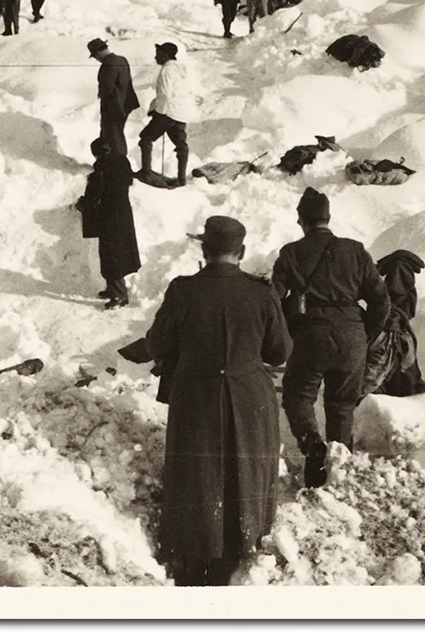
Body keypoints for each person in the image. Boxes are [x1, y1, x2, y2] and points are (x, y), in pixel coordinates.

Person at [145, 215, 289, 586]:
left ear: (205, 250)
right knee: (247, 469)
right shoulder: (262, 293)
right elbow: (279, 353)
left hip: (197, 394)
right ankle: (246, 545)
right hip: (250, 398)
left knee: (198, 475)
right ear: (241, 252)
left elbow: (157, 343)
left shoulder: (183, 290)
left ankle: (195, 554)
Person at [270, 187, 390, 488]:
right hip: (352, 335)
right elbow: (381, 301)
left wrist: (286, 331)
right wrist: (365, 334)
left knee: (298, 395)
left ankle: (312, 444)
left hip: (312, 333)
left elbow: (273, 300)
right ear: (328, 218)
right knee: (342, 405)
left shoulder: (290, 253)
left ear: (301, 220)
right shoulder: (356, 250)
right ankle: (339, 464)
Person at [76, 137, 141, 310]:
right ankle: (113, 289)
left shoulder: (102, 169)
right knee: (115, 255)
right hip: (123, 214)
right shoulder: (122, 162)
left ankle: (119, 296)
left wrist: (82, 204)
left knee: (111, 256)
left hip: (109, 217)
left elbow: (94, 194)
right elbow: (128, 181)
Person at [374, 250, 425, 396]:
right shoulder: (402, 275)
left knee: (393, 355)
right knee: (397, 354)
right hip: (395, 325)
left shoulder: (398, 274)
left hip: (393, 324)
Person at [138, 42, 195, 185]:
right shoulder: (181, 70)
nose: (155, 56)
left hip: (168, 111)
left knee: (145, 138)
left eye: (158, 53)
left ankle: (146, 172)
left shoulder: (166, 70)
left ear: (166, 55)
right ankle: (181, 179)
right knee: (181, 145)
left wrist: (158, 112)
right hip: (181, 112)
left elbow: (164, 94)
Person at [88, 37, 139, 158]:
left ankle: (118, 165)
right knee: (116, 135)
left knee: (113, 137)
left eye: (94, 55)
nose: (96, 59)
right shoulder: (122, 59)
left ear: (98, 52)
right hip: (124, 104)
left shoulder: (108, 63)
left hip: (113, 106)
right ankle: (113, 163)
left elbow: (107, 88)